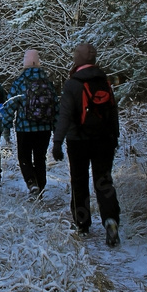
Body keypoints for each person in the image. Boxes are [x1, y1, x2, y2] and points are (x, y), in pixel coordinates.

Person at [52, 43, 122, 246]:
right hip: (104, 140)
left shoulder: (72, 84)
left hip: (78, 141)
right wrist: (114, 136)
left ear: (78, 59)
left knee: (79, 182)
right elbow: (113, 111)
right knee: (104, 181)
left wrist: (57, 142)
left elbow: (64, 115)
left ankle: (82, 224)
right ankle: (110, 220)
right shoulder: (104, 81)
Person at [1, 49, 59, 200]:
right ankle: (40, 187)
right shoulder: (47, 81)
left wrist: (6, 126)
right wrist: (57, 128)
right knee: (40, 158)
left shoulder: (20, 81)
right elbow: (56, 106)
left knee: (24, 157)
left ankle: (32, 183)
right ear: (38, 62)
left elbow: (9, 105)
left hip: (24, 128)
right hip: (44, 128)